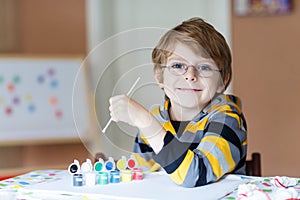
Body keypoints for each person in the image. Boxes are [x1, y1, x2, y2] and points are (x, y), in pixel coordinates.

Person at [108, 17, 247, 188]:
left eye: (204, 67)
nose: (190, 75)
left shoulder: (227, 118)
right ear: (159, 76)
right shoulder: (155, 119)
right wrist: (116, 168)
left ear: (222, 81)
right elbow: (141, 177)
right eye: (178, 66)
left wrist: (146, 122)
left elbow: (194, 175)